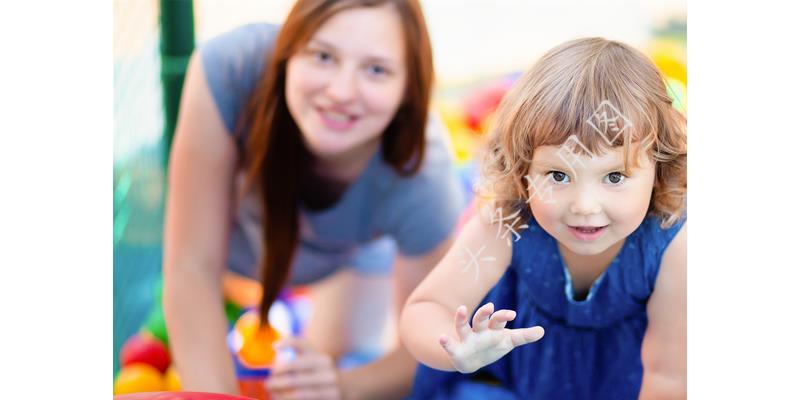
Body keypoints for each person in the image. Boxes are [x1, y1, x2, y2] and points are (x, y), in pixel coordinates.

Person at [162, 1, 464, 398]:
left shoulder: (424, 177)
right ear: (287, 52)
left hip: (347, 258)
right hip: (239, 252)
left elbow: (432, 345)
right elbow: (191, 266)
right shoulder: (231, 68)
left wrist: (340, 385)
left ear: (409, 88)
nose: (340, 92)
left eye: (376, 69)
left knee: (330, 364)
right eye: (323, 56)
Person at [400, 37, 687, 399]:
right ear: (524, 171)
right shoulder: (508, 223)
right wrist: (458, 350)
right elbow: (427, 308)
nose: (584, 205)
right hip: (508, 386)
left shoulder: (673, 245)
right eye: (558, 175)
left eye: (614, 177)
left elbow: (669, 379)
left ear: (659, 170)